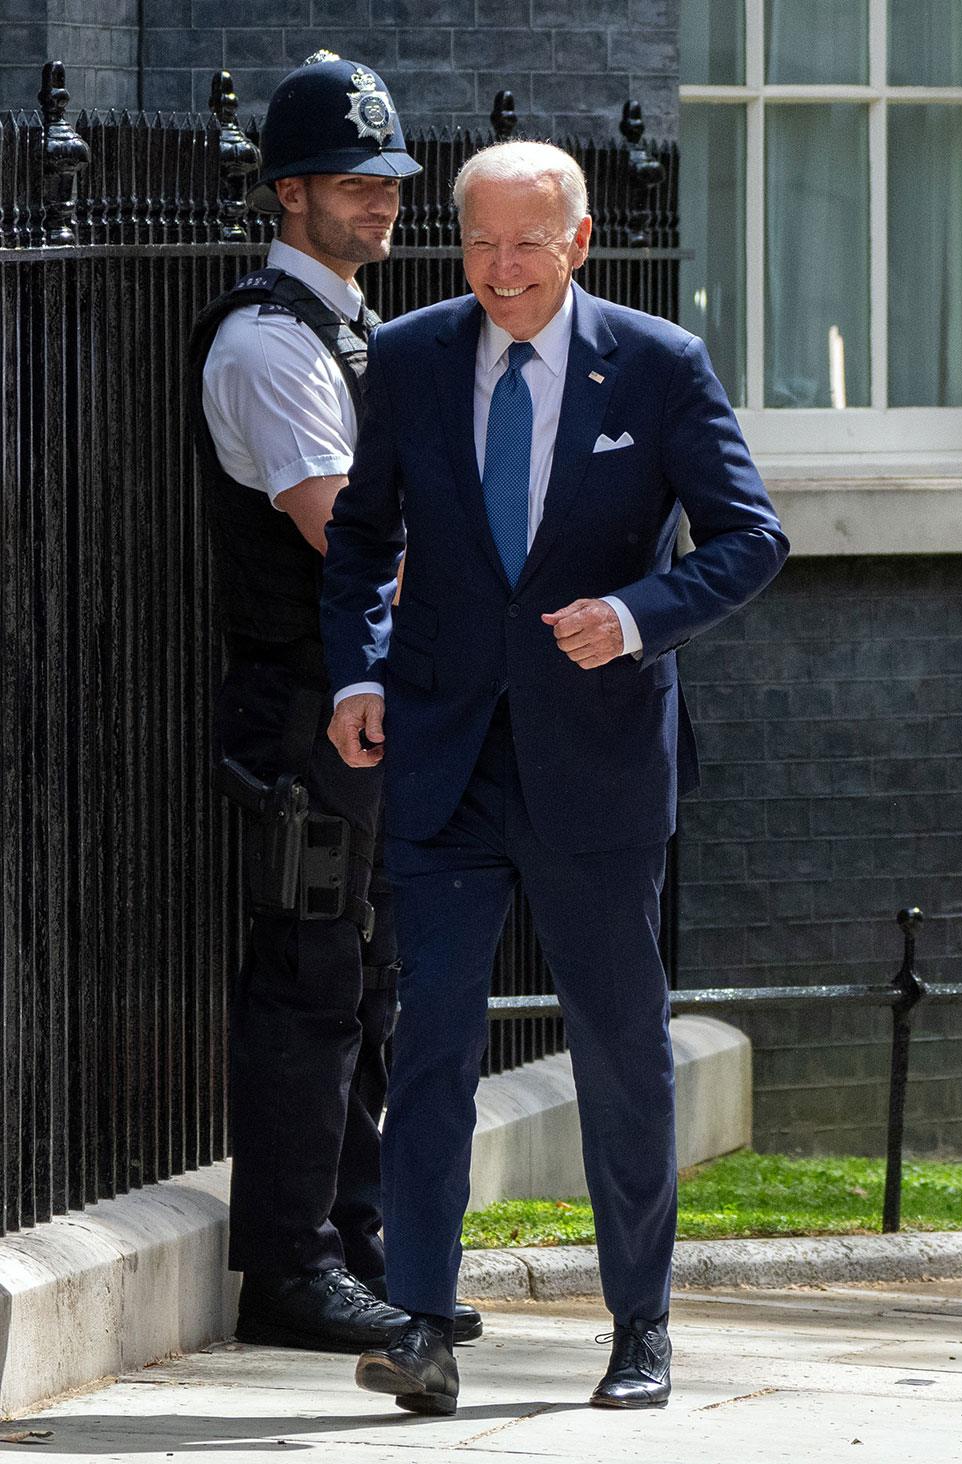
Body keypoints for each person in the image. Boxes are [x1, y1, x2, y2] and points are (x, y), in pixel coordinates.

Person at [321, 139, 789, 1414]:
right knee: (430, 1048)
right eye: (478, 242)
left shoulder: (656, 364)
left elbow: (750, 537)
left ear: (578, 242)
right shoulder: (411, 356)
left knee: (619, 1049)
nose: (501, 269)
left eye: (528, 243)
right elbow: (363, 540)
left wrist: (638, 613)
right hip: (444, 754)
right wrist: (359, 677)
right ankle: (422, 1326)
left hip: (595, 767)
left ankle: (640, 1325)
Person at [187, 52, 482, 1353]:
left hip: (359, 706)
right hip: (304, 711)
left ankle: (356, 1251)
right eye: (358, 184)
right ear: (291, 191)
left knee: (360, 982)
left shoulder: (353, 336)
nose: (383, 204)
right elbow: (350, 540)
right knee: (309, 980)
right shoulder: (270, 343)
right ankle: (291, 1271)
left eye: (393, 183)